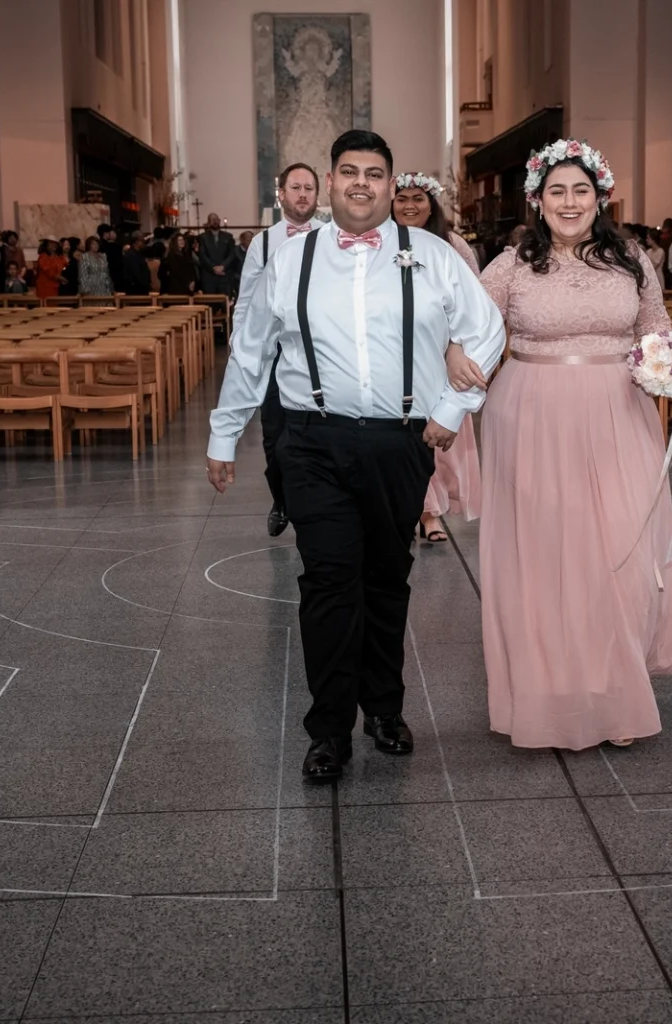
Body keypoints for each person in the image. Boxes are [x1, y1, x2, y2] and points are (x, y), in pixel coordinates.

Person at [207, 129, 505, 781]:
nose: (362, 183)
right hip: (313, 441)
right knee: (329, 583)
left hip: (401, 442)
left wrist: (450, 411)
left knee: (384, 580)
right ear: (331, 182)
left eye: (375, 173)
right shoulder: (291, 258)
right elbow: (251, 349)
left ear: (390, 185)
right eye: (349, 171)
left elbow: (487, 329)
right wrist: (223, 433)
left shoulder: (431, 254)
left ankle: (385, 709)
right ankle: (329, 729)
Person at [477, 139, 672, 751]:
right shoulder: (511, 264)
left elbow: (655, 327)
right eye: (556, 191)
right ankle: (551, 694)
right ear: (536, 200)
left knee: (619, 550)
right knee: (546, 557)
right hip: (533, 415)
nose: (569, 202)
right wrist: (457, 360)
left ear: (601, 197)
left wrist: (666, 361)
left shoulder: (631, 259)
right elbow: (472, 330)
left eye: (580, 190)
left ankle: (612, 687)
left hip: (618, 413)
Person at [392, 171, 484, 544]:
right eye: (403, 198)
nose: (410, 205)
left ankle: (431, 513)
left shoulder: (452, 244)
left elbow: (475, 301)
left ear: (431, 205)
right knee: (402, 437)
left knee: (436, 434)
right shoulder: (382, 243)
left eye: (418, 198)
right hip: (396, 352)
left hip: (443, 354)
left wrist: (458, 346)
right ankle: (410, 508)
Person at [235, 161, 322, 537]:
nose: (302, 194)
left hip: (320, 354)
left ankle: (314, 503)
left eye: (309, 188)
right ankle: (282, 498)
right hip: (274, 354)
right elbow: (246, 300)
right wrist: (241, 350)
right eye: (296, 188)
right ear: (281, 194)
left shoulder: (333, 235)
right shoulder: (263, 242)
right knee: (275, 435)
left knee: (317, 432)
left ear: (318, 195)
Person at [197, 214, 242, 297]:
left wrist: (223, 266)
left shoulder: (228, 236)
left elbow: (232, 254)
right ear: (209, 222)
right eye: (212, 220)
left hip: (225, 277)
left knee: (225, 305)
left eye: (217, 219)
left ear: (219, 221)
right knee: (211, 305)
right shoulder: (202, 237)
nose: (215, 221)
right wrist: (213, 267)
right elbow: (202, 255)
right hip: (209, 277)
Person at [100, 224, 124, 293]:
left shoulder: (103, 244)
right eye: (109, 232)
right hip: (113, 275)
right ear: (105, 233)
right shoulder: (110, 246)